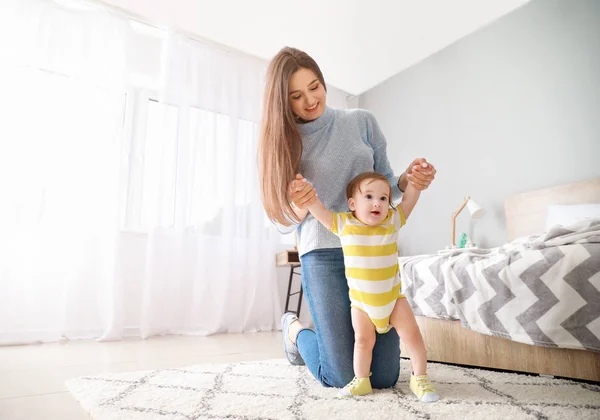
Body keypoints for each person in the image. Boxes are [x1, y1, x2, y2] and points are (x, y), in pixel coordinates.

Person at [258, 46, 437, 393]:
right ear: (284, 102)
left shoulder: (361, 121)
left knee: (384, 376)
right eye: (296, 96)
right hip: (323, 253)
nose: (310, 99)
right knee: (343, 375)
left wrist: (410, 180)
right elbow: (283, 222)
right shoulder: (285, 144)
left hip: (373, 255)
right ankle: (295, 332)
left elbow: (388, 185)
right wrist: (303, 204)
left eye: (314, 86)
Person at [305, 171, 439, 401]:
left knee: (413, 337)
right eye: (369, 196)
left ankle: (420, 378)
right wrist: (306, 198)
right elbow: (320, 211)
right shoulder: (344, 224)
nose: (377, 202)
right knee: (363, 342)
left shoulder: (392, 221)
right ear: (352, 204)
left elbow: (408, 200)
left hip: (393, 300)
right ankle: (361, 380)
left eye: (384, 198)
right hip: (361, 304)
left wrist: (415, 182)